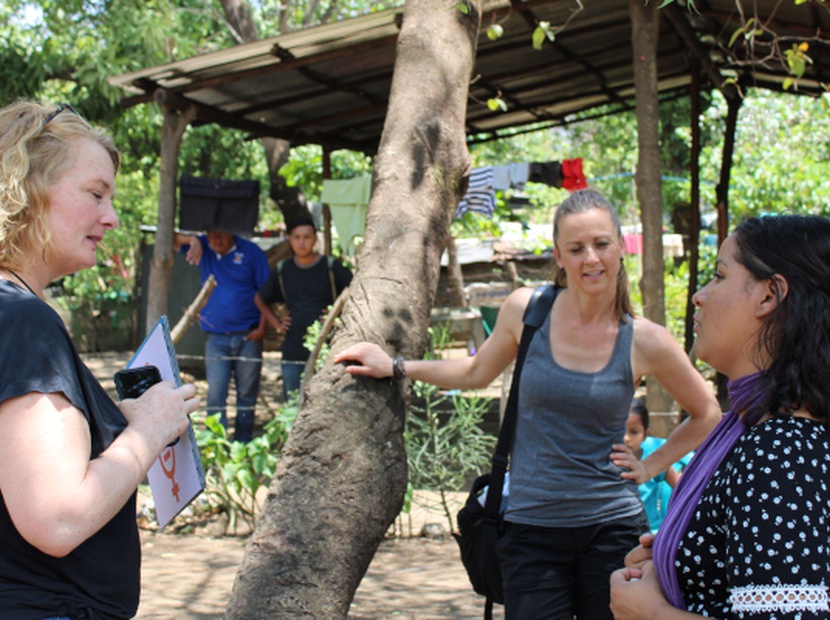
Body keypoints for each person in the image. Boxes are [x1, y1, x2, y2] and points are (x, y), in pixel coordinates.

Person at [334, 188, 721, 619]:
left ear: (619, 248)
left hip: (611, 529)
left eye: (601, 244)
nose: (590, 258)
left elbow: (707, 414)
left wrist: (650, 465)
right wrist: (396, 365)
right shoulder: (527, 310)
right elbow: (475, 372)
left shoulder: (645, 338)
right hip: (531, 528)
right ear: (559, 255)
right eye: (576, 248)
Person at [0, 100, 200, 619]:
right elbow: (57, 519)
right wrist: (150, 430)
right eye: (95, 194)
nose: (110, 218)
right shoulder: (25, 322)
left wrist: (117, 424)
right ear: (27, 189)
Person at [610, 214, 830, 619]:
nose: (699, 295)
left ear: (769, 296)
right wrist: (677, 556)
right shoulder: (752, 426)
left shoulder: (779, 451)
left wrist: (652, 613)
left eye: (719, 276)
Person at [175, 228, 270, 443]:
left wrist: (261, 329)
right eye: (210, 234)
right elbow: (167, 239)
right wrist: (194, 240)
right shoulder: (204, 248)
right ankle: (216, 444)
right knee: (216, 395)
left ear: (233, 231)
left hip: (249, 336)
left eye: (221, 234)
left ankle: (243, 443)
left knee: (247, 395)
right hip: (216, 338)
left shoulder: (252, 252)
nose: (215, 239)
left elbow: (266, 293)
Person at [255, 216, 352, 400]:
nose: (302, 242)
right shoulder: (284, 269)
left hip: (327, 351)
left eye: (307, 237)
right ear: (290, 240)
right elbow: (260, 299)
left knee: (326, 402)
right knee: (293, 403)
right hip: (293, 350)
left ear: (315, 239)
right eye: (297, 237)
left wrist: (337, 317)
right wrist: (277, 323)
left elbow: (355, 292)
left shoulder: (331, 267)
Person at [624, 397, 691, 533]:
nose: (626, 438)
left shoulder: (653, 462)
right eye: (619, 430)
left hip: (651, 532)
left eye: (634, 432)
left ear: (645, 435)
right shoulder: (603, 463)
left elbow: (683, 490)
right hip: (615, 531)